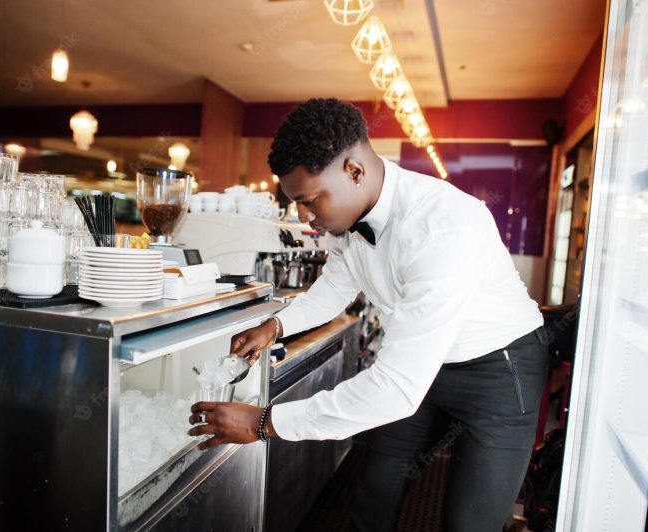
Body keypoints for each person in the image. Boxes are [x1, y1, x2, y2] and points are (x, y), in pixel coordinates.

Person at [188, 98, 547, 532]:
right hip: (422, 365)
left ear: (354, 171)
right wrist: (276, 324)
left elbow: (396, 388)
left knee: (468, 522)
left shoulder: (443, 228)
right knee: (377, 481)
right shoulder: (347, 219)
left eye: (310, 201)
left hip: (497, 370)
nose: (305, 217)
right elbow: (337, 286)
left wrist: (264, 422)